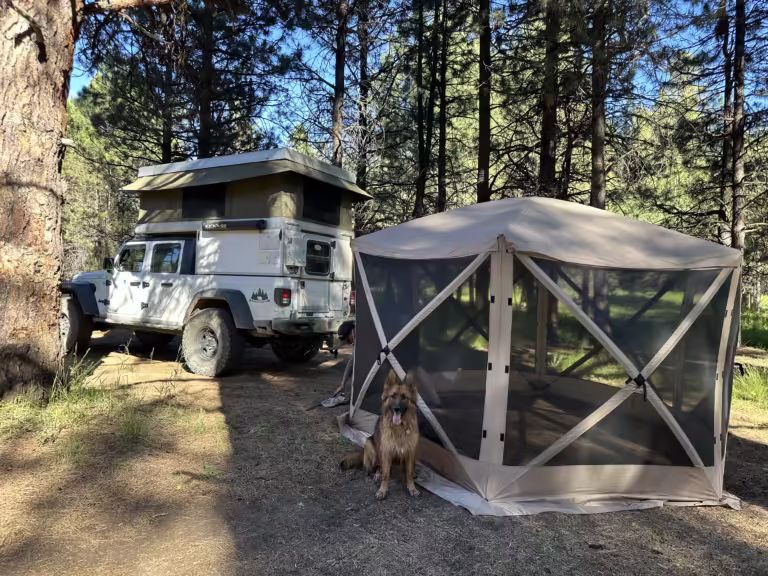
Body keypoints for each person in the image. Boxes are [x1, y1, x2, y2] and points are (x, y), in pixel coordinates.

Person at [321, 321, 355, 408]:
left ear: (353, 332)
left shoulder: (366, 339)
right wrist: (343, 384)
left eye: (348, 340)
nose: (349, 343)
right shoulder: (357, 342)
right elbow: (352, 362)